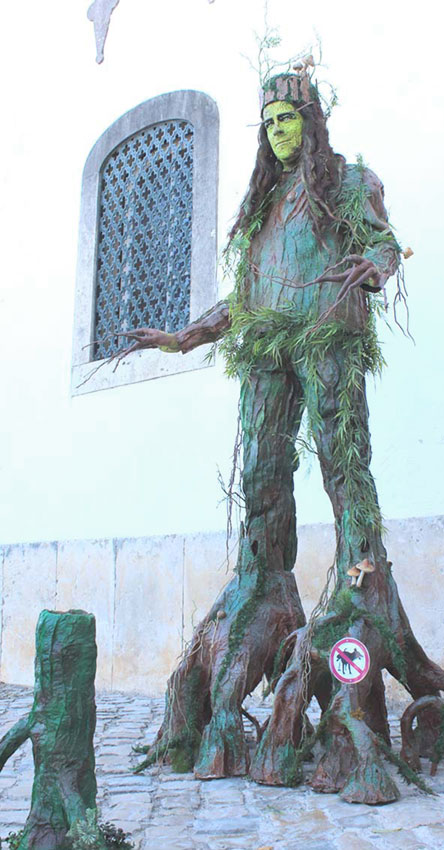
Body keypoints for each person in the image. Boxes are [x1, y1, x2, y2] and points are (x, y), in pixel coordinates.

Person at [124, 69, 401, 582]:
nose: (276, 131)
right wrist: (182, 338)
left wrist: (375, 267)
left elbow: (384, 243)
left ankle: (361, 579)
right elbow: (246, 298)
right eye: (269, 122)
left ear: (311, 122)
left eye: (287, 119)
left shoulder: (348, 181)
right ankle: (264, 585)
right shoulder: (263, 206)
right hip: (267, 351)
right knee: (261, 470)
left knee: (343, 462)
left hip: (327, 339)